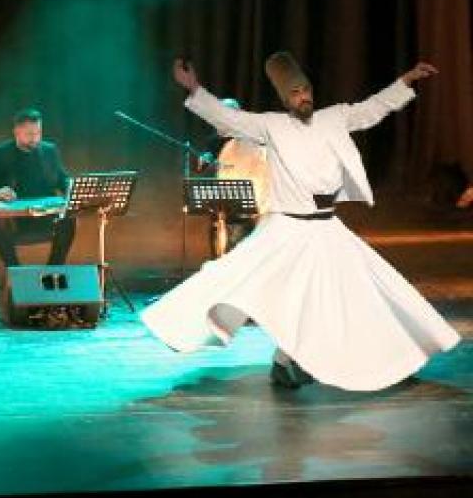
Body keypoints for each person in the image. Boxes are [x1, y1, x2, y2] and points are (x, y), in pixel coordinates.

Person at [141, 53, 460, 391]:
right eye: (295, 93)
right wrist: (194, 88)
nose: (303, 97)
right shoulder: (272, 125)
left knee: (368, 289)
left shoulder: (334, 117)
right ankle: (277, 359)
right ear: (285, 99)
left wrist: (406, 80)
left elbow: (373, 108)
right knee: (266, 289)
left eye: (306, 90)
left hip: (326, 228)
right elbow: (228, 118)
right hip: (288, 230)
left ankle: (390, 358)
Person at [0, 109, 75, 267]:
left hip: (43, 217)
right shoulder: (0, 153)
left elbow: (63, 180)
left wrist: (74, 188)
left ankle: (52, 271)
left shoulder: (49, 151)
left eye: (38, 133)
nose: (35, 138)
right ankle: (16, 273)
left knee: (69, 220)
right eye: (29, 134)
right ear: (16, 132)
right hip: (13, 221)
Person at [195, 98, 270, 258]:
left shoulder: (251, 138)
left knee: (240, 239)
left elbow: (262, 166)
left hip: (250, 197)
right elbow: (203, 164)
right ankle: (219, 259)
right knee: (219, 234)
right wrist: (204, 160)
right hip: (224, 197)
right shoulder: (216, 139)